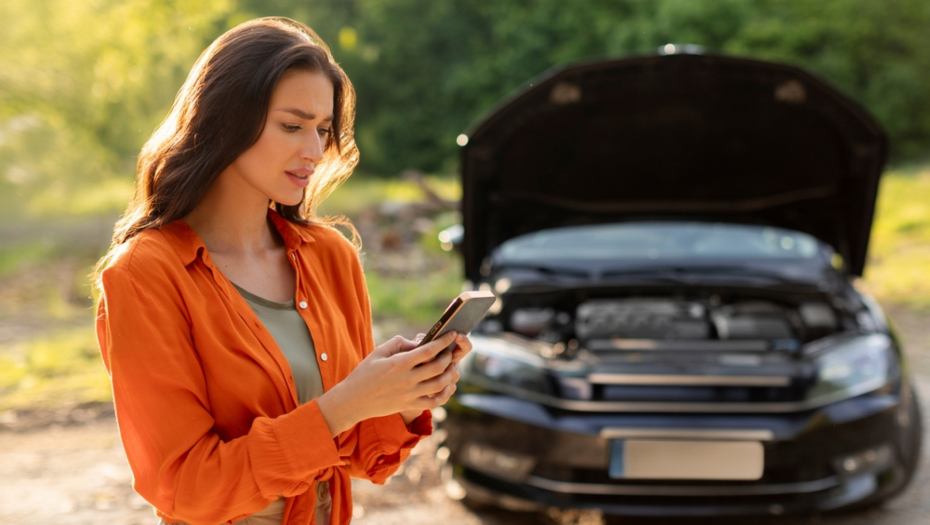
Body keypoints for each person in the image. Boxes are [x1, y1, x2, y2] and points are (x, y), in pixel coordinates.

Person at [93, 17, 471, 525]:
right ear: (225, 120)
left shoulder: (330, 256)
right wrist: (343, 404)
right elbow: (184, 486)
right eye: (292, 126)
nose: (314, 152)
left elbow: (356, 454)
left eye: (323, 130)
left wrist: (402, 397)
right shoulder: (145, 273)